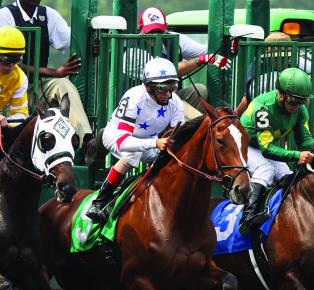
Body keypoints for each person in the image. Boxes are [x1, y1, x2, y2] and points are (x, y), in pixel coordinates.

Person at [86, 57, 185, 223]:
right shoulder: (135, 96)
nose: (168, 94)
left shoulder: (175, 102)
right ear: (149, 87)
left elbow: (176, 136)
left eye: (171, 88)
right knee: (133, 155)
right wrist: (154, 143)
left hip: (148, 140)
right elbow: (124, 141)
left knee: (170, 159)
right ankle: (99, 202)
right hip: (117, 135)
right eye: (163, 89)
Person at [0, 0, 93, 149]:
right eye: (8, 60)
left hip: (33, 86)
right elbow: (8, 62)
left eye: (15, 59)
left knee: (63, 84)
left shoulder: (49, 15)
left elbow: (73, 42)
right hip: (7, 89)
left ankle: (86, 141)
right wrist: (53, 72)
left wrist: (89, 45)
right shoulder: (4, 16)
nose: (11, 64)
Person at [239, 67, 314, 235]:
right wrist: (298, 155)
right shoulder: (263, 109)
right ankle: (247, 217)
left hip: (263, 146)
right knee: (266, 170)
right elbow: (267, 149)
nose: (296, 106)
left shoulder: (299, 110)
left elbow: (304, 139)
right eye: (293, 101)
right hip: (244, 146)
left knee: (287, 176)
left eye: (301, 102)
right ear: (281, 94)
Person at [246, 32, 314, 138]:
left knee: (313, 103)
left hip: (287, 116)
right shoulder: (261, 70)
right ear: (268, 55)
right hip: (269, 122)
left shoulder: (294, 60)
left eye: (286, 55)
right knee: (311, 103)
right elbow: (298, 83)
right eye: (277, 57)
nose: (282, 59)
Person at [138, 7, 231, 118]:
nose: (156, 35)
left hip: (168, 95)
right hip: (146, 102)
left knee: (200, 90)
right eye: (151, 31)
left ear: (165, 28)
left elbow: (207, 51)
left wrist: (228, 47)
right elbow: (165, 74)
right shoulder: (133, 49)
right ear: (140, 29)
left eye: (159, 30)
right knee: (195, 118)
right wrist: (200, 60)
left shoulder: (174, 38)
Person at [0, 26, 29, 127]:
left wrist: (8, 123)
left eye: (16, 61)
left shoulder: (20, 78)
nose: (12, 66)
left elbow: (20, 114)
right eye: (7, 61)